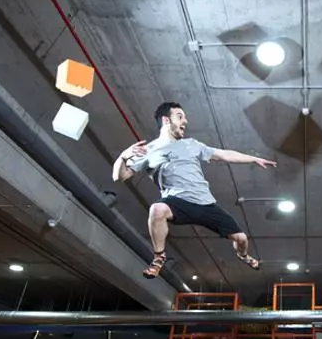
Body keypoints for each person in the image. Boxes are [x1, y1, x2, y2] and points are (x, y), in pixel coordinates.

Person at [112, 101, 277, 278]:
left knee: (241, 239)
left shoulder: (192, 144)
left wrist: (253, 159)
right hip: (177, 202)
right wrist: (123, 157)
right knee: (157, 209)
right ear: (166, 120)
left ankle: (243, 256)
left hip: (206, 204)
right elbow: (119, 177)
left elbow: (223, 154)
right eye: (180, 117)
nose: (185, 121)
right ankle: (159, 257)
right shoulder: (147, 151)